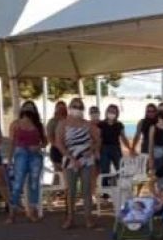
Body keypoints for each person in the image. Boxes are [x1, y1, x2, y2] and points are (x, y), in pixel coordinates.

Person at [56, 98, 100, 229]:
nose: (78, 108)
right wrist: (71, 158)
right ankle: (70, 218)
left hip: (86, 160)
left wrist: (90, 151)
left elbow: (97, 140)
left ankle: (88, 218)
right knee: (71, 191)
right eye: (75, 106)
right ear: (70, 107)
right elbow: (59, 143)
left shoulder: (88, 124)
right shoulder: (62, 124)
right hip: (70, 160)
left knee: (87, 190)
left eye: (80, 106)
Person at [7, 101, 48, 223]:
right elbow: (12, 142)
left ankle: (33, 212)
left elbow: (46, 142)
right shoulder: (15, 124)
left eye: (31, 108)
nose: (28, 110)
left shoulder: (38, 125)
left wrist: (39, 146)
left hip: (35, 155)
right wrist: (9, 158)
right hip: (21, 153)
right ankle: (12, 213)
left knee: (34, 183)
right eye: (26, 107)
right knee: (18, 183)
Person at [97, 104, 131, 187]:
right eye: (110, 111)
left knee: (120, 168)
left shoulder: (119, 125)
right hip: (104, 148)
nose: (111, 113)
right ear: (106, 112)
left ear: (117, 113)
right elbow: (99, 139)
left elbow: (123, 138)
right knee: (105, 170)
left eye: (113, 111)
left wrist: (130, 148)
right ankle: (105, 191)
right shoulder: (101, 124)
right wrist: (97, 151)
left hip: (116, 148)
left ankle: (122, 187)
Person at [46, 100, 67, 177]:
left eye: (63, 108)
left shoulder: (70, 120)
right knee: (59, 175)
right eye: (59, 108)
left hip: (69, 149)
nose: (61, 110)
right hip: (56, 150)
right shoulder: (52, 122)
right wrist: (60, 147)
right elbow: (50, 138)